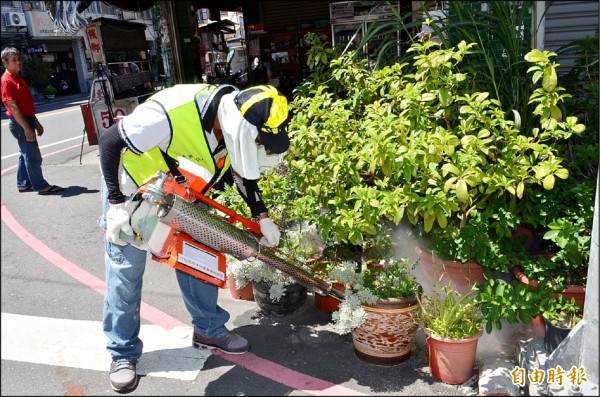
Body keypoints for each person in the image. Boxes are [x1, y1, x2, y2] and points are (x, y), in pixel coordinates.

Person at [98, 83, 290, 393]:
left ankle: (209, 329)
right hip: (133, 190)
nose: (257, 143)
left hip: (181, 193)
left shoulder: (231, 120)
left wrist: (262, 216)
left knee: (198, 263)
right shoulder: (170, 114)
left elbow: (241, 172)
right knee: (126, 272)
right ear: (243, 128)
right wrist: (116, 204)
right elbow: (108, 142)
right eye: (257, 137)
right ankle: (122, 352)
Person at [1, 47, 64, 194]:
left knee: (25, 154)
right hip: (20, 123)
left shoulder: (17, 77)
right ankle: (41, 186)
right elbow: (14, 108)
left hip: (26, 120)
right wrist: (27, 128)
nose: (18, 62)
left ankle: (23, 183)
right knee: (33, 156)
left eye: (19, 59)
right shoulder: (7, 81)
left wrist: (35, 123)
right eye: (14, 60)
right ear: (5, 62)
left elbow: (25, 105)